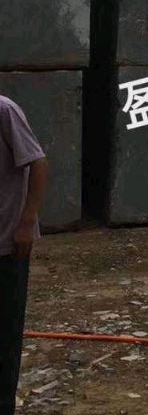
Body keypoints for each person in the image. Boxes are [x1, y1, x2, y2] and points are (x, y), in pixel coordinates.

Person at [0, 96, 48, 415]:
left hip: (7, 244)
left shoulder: (4, 111)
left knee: (5, 335)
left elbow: (38, 163)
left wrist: (27, 222)